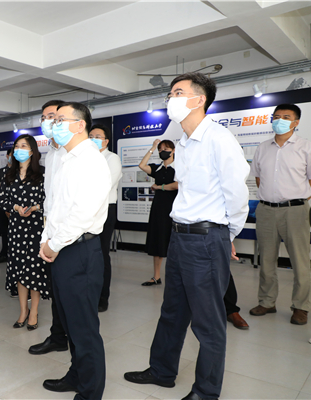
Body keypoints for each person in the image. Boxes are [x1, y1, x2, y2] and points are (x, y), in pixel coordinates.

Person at [124, 72, 250, 400]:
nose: (171, 99)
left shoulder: (219, 139)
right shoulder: (183, 143)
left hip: (206, 238)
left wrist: (227, 235)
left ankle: (206, 392)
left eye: (178, 93)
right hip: (180, 236)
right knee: (173, 310)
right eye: (170, 94)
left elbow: (237, 194)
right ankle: (162, 371)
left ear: (199, 100)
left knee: (207, 322)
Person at [39, 102, 111, 400]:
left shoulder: (91, 160)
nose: (54, 124)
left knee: (83, 327)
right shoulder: (65, 158)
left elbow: (82, 213)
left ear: (80, 125)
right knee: (70, 321)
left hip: (79, 250)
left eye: (60, 120)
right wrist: (46, 239)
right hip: (62, 248)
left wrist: (54, 244)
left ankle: (91, 392)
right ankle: (77, 375)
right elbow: (54, 206)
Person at [249, 103, 311, 325]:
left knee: (300, 261)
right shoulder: (262, 148)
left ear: (296, 122)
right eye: (276, 116)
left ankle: (300, 307)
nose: (280, 120)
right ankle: (267, 302)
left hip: (295, 210)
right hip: (266, 210)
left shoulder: (307, 147)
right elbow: (259, 179)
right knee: (266, 260)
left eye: (286, 117)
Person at [28, 99, 69, 355]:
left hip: (71, 235)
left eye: (53, 116)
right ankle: (58, 337)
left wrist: (56, 240)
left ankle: (70, 341)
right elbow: (50, 199)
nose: (47, 121)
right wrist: (46, 235)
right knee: (56, 290)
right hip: (52, 230)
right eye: (44, 117)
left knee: (70, 295)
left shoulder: (73, 153)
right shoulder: (51, 153)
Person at [0, 134, 47, 330]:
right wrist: (16, 207)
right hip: (16, 228)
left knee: (34, 270)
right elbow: (2, 200)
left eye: (24, 146)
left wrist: (35, 208)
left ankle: (34, 311)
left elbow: (50, 200)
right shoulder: (8, 175)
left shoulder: (42, 174)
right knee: (19, 270)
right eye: (17, 146)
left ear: (32, 151)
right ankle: (23, 311)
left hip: (35, 229)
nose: (19, 149)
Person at [89, 124, 122, 312]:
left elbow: (105, 185)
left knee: (102, 253)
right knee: (90, 254)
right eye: (91, 136)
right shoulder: (86, 159)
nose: (93, 139)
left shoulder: (112, 158)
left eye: (98, 136)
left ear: (106, 141)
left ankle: (103, 298)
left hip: (105, 209)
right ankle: (91, 294)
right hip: (88, 210)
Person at [138, 139, 178, 286]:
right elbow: (142, 165)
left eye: (166, 149)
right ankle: (156, 276)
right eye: (160, 150)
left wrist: (159, 187)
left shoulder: (179, 167)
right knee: (158, 240)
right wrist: (152, 148)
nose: (162, 152)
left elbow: (177, 185)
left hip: (174, 208)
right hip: (158, 208)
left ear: (173, 150)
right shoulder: (158, 168)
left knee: (174, 242)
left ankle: (177, 277)